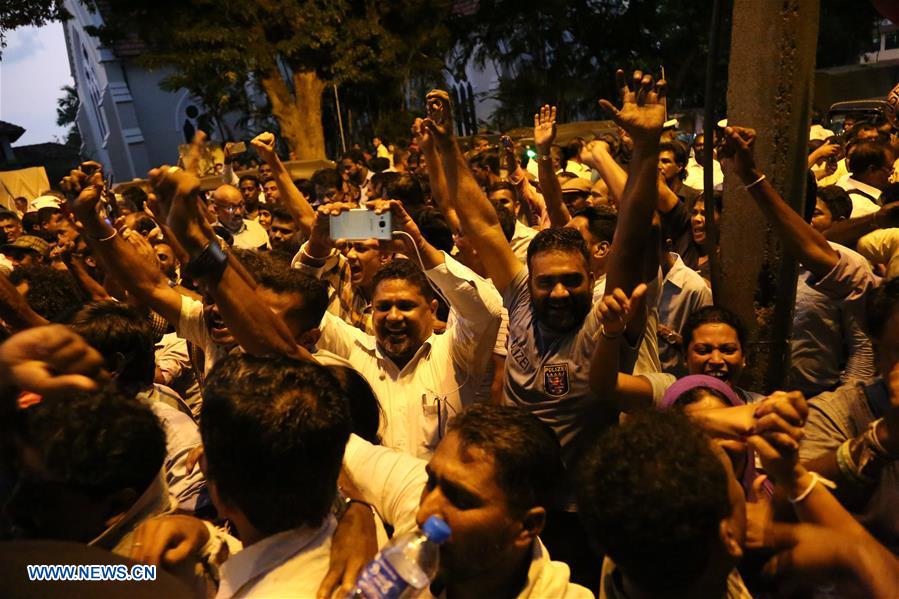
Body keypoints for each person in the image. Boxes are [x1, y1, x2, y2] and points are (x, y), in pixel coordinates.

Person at [422, 71, 667, 586]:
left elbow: (632, 231)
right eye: (546, 282)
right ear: (527, 282)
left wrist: (646, 149)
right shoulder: (517, 295)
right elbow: (481, 223)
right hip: (511, 500)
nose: (558, 293)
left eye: (571, 281)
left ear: (592, 277)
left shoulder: (609, 316)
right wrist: (446, 144)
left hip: (580, 512)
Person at [309, 200, 503, 458]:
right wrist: (316, 247)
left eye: (405, 305)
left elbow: (487, 310)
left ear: (432, 309)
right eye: (383, 307)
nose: (393, 317)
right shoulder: (353, 350)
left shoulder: (456, 354)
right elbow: (302, 314)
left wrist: (418, 247)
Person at [343, 404, 593, 598]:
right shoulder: (430, 519)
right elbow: (336, 442)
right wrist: (355, 511)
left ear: (527, 525)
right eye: (431, 482)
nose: (423, 514)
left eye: (461, 500)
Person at [838, 141, 892, 217]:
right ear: (872, 170)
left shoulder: (844, 180)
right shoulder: (866, 209)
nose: (891, 176)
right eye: (889, 169)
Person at [209, 184, 270, 251]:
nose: (238, 212)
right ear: (217, 210)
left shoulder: (257, 228)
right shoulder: (210, 235)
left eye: (241, 205)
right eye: (231, 208)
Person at [658, 140, 700, 206]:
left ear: (679, 167)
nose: (659, 166)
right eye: (656, 161)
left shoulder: (694, 197)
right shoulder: (650, 194)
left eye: (665, 162)